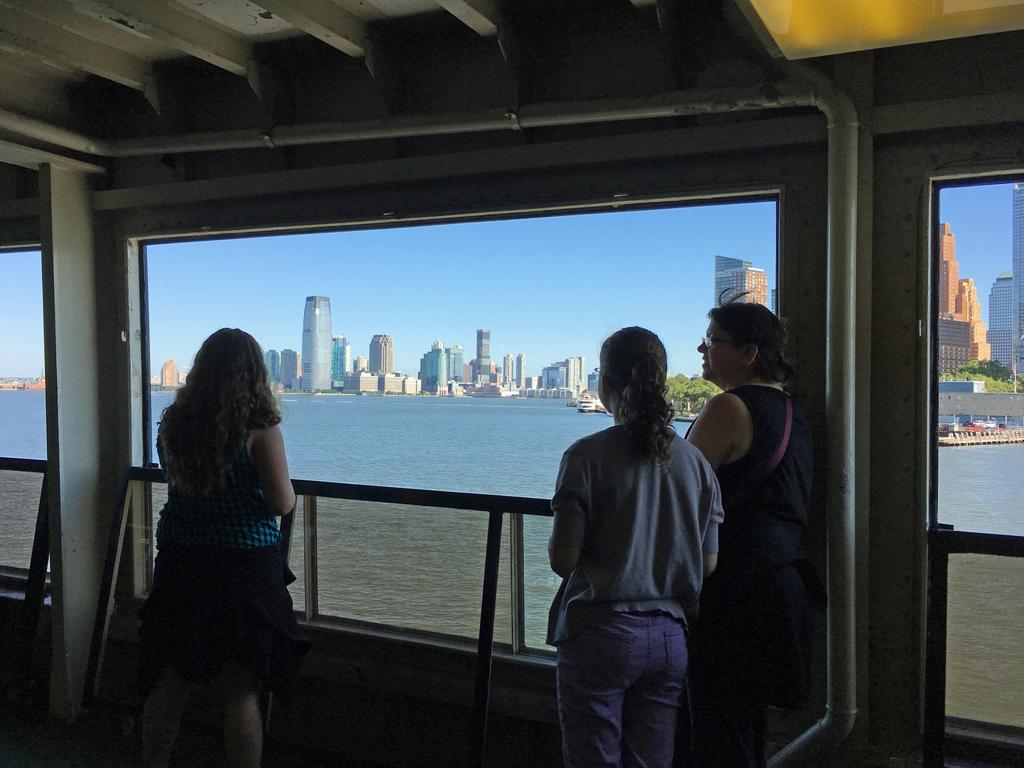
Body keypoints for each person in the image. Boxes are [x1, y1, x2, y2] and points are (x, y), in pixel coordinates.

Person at [547, 326, 724, 768]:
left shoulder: (585, 456)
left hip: (600, 633)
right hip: (670, 637)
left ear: (605, 385)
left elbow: (562, 560)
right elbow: (708, 562)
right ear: (662, 383)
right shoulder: (696, 463)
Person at [138, 328, 309, 768]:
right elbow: (281, 502)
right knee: (241, 690)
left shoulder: (173, 423)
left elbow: (176, 482)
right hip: (243, 571)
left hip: (181, 561)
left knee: (171, 680)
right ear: (254, 374)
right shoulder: (259, 429)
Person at [685, 300, 823, 768]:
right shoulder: (790, 410)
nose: (702, 349)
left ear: (748, 352)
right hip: (782, 585)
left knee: (715, 727)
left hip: (733, 589)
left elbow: (680, 495)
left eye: (712, 341)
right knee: (747, 729)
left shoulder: (728, 407)